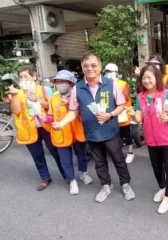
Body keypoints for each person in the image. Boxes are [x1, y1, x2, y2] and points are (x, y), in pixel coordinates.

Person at [52, 53, 135, 203]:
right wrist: (61, 123)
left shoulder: (111, 84)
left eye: (93, 65)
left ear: (100, 66)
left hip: (111, 132)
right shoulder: (78, 88)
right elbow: (73, 111)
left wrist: (110, 114)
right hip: (91, 133)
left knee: (118, 160)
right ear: (82, 68)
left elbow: (122, 105)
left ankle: (125, 183)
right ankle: (105, 185)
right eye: (86, 66)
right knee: (99, 162)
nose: (90, 68)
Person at [127, 65, 168, 214]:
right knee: (156, 166)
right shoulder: (140, 96)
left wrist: (167, 117)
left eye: (150, 77)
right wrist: (131, 113)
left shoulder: (166, 94)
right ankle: (163, 188)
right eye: (144, 78)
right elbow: (139, 118)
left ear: (157, 78)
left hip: (167, 138)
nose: (146, 80)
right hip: (150, 139)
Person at [9, 65, 65, 191]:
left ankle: (66, 175)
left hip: (47, 126)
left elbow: (51, 107)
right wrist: (13, 96)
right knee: (37, 155)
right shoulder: (17, 93)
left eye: (26, 76)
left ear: (34, 77)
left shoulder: (45, 90)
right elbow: (16, 111)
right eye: (20, 77)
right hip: (29, 129)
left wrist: (37, 100)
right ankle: (45, 178)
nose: (23, 79)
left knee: (56, 153)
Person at [43, 70, 93, 195]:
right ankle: (72, 181)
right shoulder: (53, 99)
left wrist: (69, 106)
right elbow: (50, 115)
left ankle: (84, 173)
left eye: (62, 81)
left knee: (82, 155)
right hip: (61, 133)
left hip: (77, 132)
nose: (60, 84)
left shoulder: (79, 96)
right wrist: (46, 119)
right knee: (65, 160)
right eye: (57, 81)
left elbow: (86, 114)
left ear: (70, 83)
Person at [104, 63, 135, 164]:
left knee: (126, 133)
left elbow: (125, 97)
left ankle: (130, 153)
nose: (108, 74)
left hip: (122, 112)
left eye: (110, 72)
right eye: (107, 71)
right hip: (110, 113)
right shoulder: (104, 83)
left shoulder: (122, 84)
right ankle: (117, 153)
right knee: (114, 135)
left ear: (116, 73)